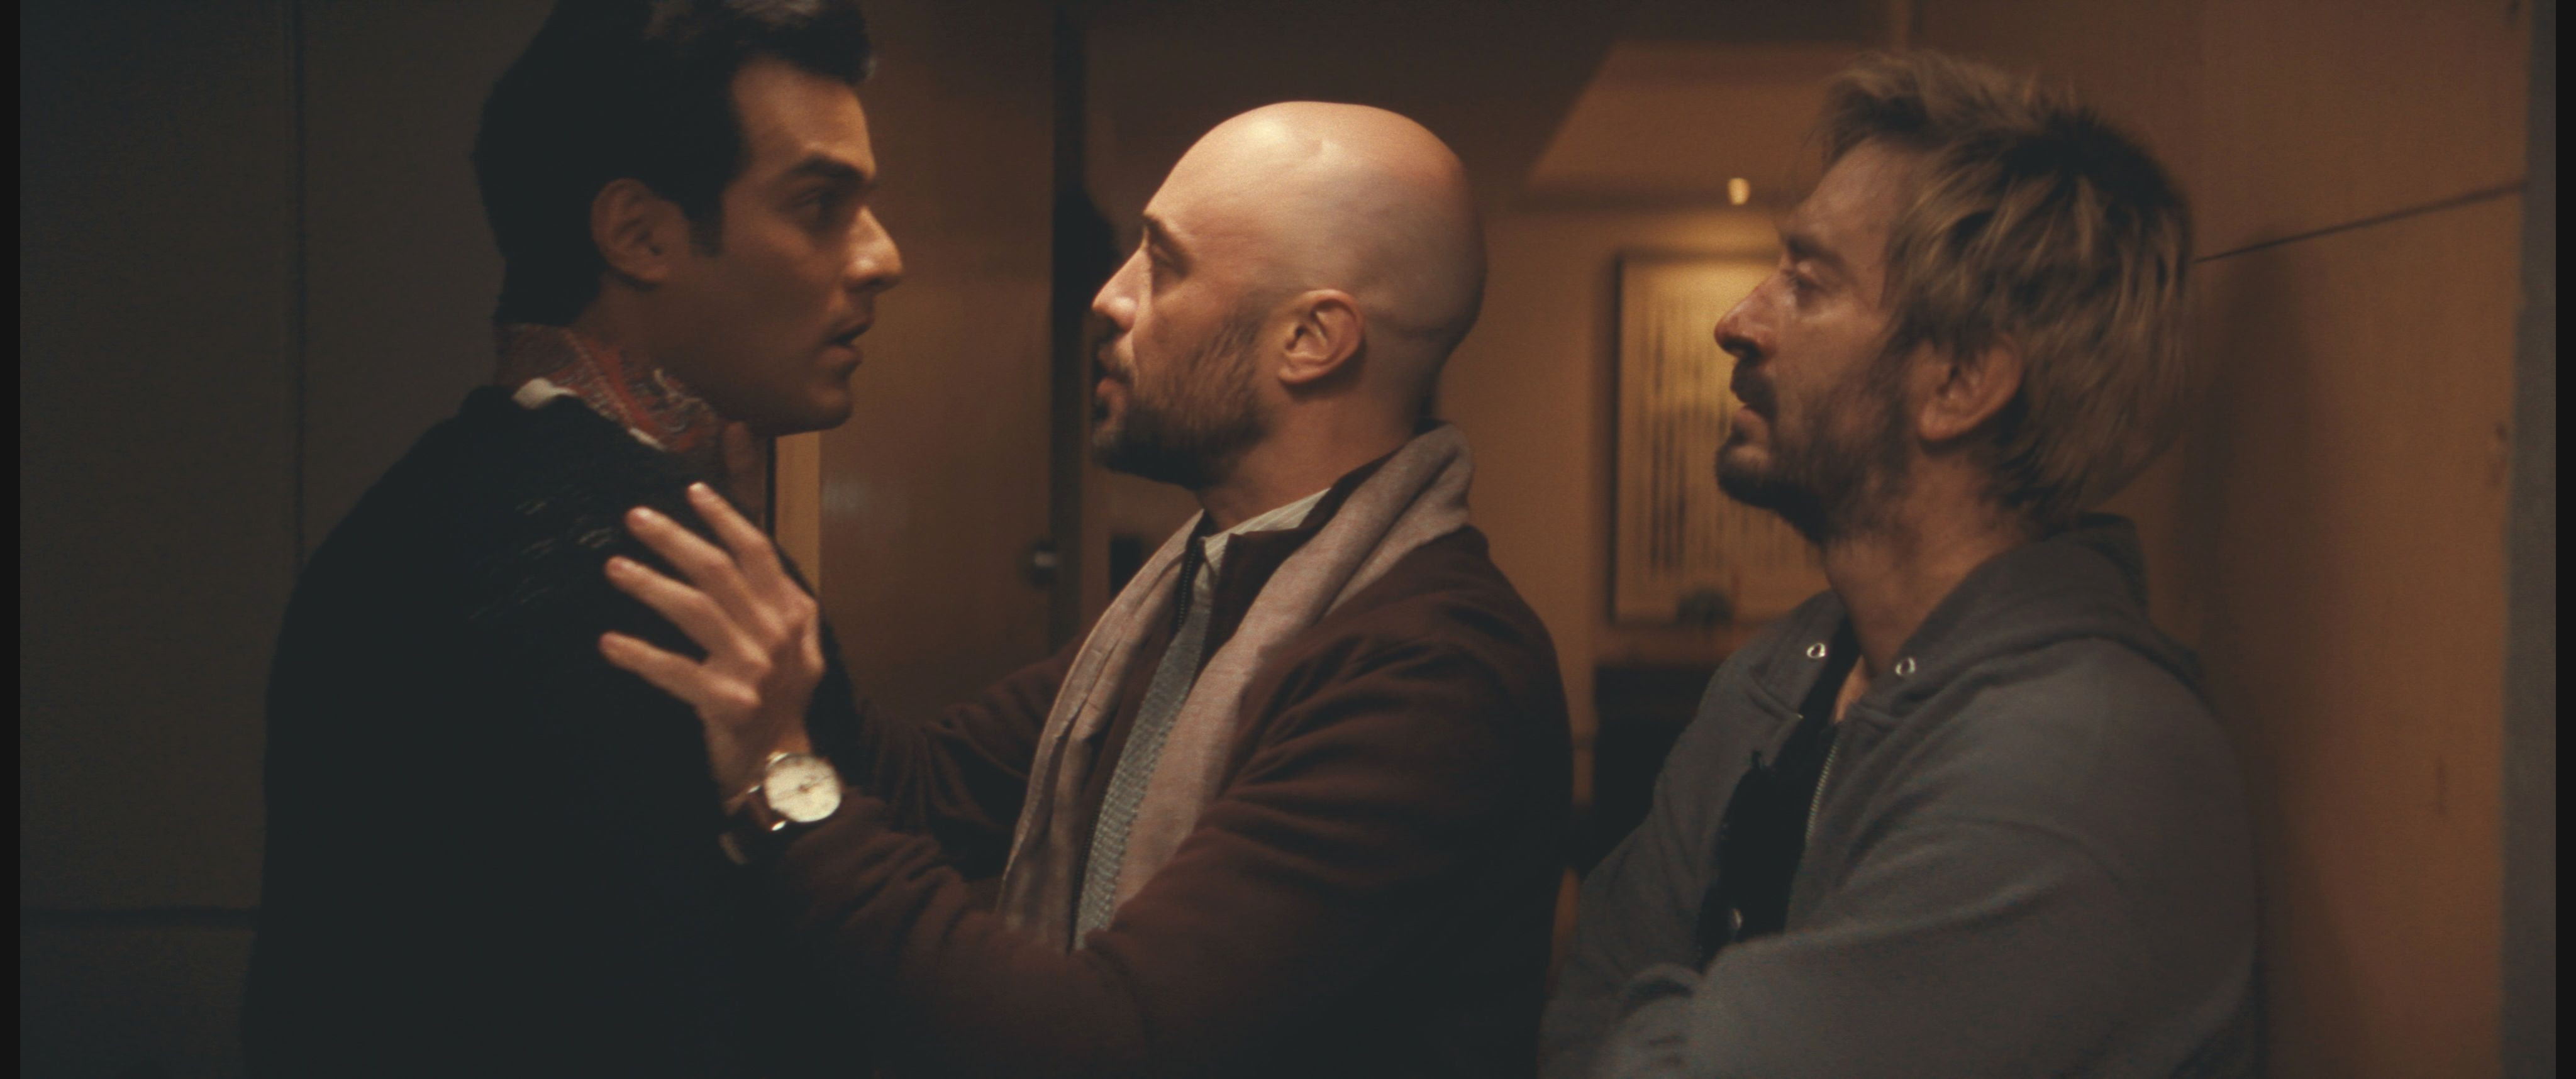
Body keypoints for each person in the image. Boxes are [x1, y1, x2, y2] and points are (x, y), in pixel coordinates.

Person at [599, 101, 1574, 1077]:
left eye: (1165, 265)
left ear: (1311, 339)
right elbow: (928, 788)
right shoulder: (1204, 587)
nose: (1110, 297)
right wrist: (745, 556)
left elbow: (1101, 1041)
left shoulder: (1430, 672)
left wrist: (781, 778)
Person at [1538, 52, 2260, 1078]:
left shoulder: (2083, 764)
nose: (1736, 321)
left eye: (1806, 283)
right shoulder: (1788, 667)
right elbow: (1580, 1006)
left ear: (1960, 380)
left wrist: (1674, 1017)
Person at [245, 2, 899, 1075]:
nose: (882, 257)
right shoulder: (677, 583)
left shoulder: (394, 526)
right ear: (639, 235)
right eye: (821, 205)